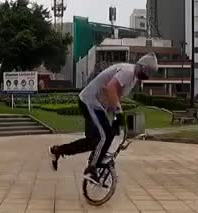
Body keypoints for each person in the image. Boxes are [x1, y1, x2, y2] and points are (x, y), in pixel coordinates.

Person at [49, 53, 158, 184]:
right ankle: (91, 169)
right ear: (141, 66)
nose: (147, 76)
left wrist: (116, 119)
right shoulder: (128, 72)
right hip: (90, 101)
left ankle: (58, 150)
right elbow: (110, 88)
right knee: (103, 137)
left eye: (150, 74)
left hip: (99, 107)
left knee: (96, 140)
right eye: (147, 72)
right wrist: (119, 113)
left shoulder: (133, 78)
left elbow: (116, 96)